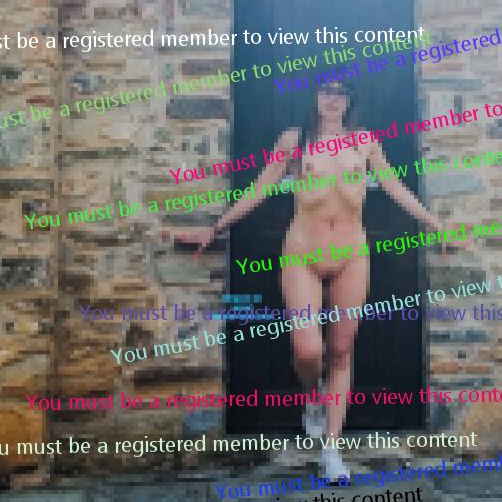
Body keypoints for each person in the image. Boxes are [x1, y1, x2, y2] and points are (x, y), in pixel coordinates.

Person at [180, 79, 442, 479]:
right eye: (326, 91)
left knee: (341, 350)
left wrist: (437, 225)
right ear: (316, 97)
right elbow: (259, 190)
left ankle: (331, 450)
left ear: (349, 100)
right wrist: (215, 228)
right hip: (303, 254)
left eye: (341, 92)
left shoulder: (365, 142)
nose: (333, 98)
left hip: (352, 255)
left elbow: (395, 188)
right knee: (307, 350)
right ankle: (312, 396)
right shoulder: (294, 140)